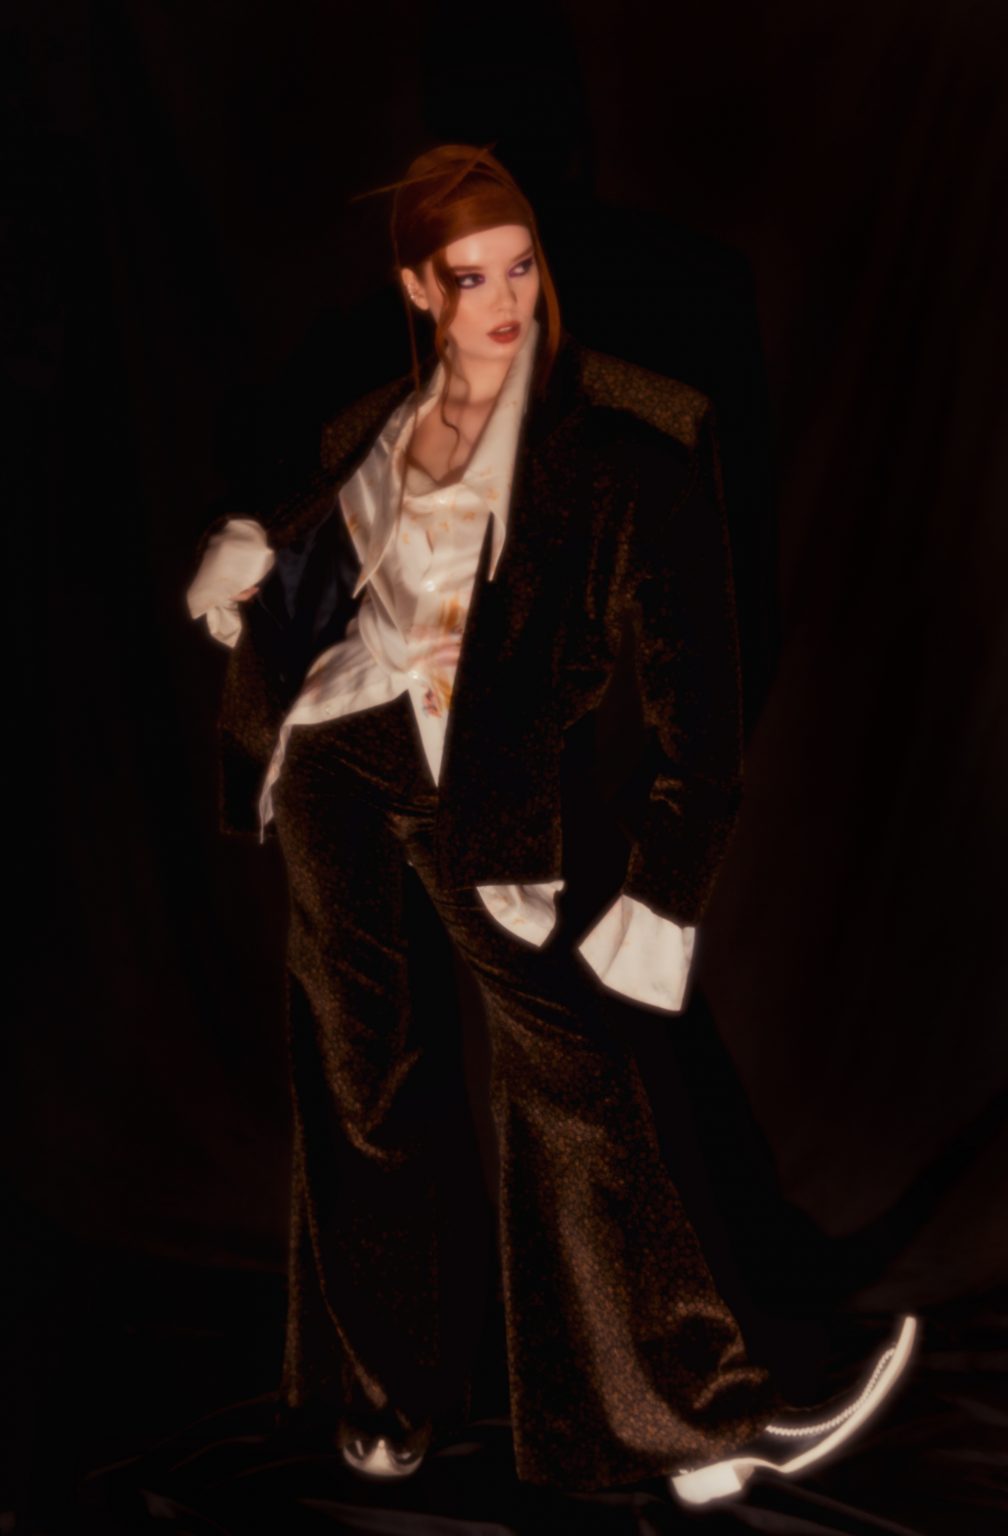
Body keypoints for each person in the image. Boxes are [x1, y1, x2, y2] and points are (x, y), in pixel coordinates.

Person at [187, 142, 919, 1506]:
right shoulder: (371, 433)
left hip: (485, 794)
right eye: (471, 278)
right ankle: (390, 1389)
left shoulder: (632, 439)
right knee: (362, 1077)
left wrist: (663, 884)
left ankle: (702, 1423)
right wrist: (248, 575)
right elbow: (319, 596)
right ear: (421, 289)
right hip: (339, 762)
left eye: (520, 267)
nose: (506, 300)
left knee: (577, 1085)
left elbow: (701, 701)